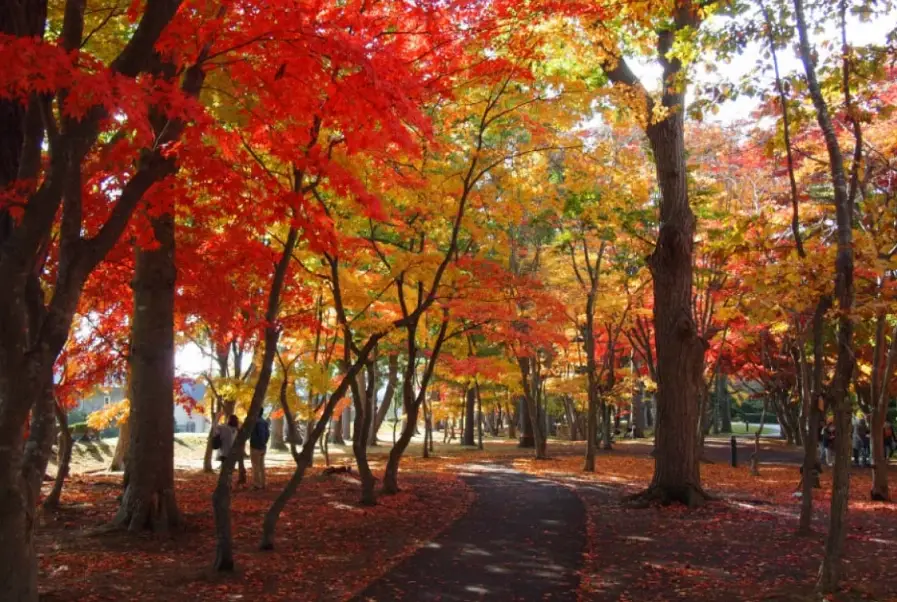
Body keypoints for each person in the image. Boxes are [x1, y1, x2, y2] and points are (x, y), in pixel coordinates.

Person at [249, 407, 270, 490]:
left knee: (255, 466)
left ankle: (257, 484)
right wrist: (264, 443)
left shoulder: (255, 422)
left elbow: (259, 434)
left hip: (255, 447)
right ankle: (263, 483)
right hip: (263, 447)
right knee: (261, 466)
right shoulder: (264, 422)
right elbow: (267, 434)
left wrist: (259, 443)